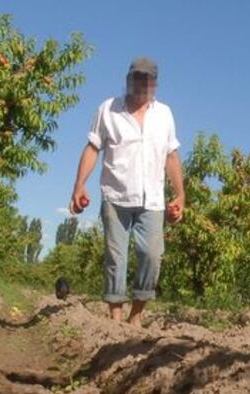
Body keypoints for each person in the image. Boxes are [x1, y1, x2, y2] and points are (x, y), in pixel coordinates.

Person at [68, 57, 185, 326]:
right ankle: (115, 320)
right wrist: (79, 185)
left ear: (154, 83)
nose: (142, 83)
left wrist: (180, 195)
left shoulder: (164, 114)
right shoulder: (108, 109)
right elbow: (93, 148)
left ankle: (136, 314)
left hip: (152, 199)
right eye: (137, 77)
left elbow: (172, 156)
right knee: (115, 257)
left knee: (152, 254)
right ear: (128, 79)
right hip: (116, 195)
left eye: (147, 79)